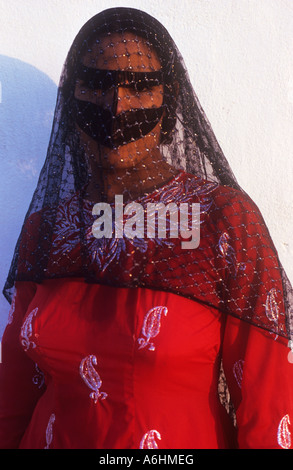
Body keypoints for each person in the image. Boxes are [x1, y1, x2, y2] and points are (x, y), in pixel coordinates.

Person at [0, 7, 293, 450]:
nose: (116, 106)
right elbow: (14, 394)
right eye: (96, 84)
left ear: (169, 101)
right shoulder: (48, 229)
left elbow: (269, 402)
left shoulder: (221, 220)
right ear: (71, 100)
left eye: (140, 87)